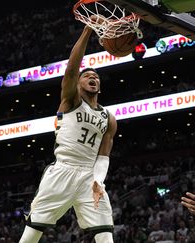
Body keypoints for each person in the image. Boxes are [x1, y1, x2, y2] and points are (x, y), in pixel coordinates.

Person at [19, 22, 117, 243]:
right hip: (62, 170)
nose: (92, 78)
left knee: (105, 234)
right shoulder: (71, 100)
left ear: (99, 86)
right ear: (78, 84)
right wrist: (87, 31)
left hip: (89, 176)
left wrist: (98, 181)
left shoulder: (109, 118)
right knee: (32, 234)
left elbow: (103, 156)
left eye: (96, 77)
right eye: (87, 76)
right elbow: (72, 69)